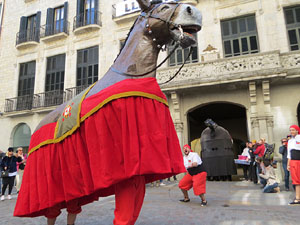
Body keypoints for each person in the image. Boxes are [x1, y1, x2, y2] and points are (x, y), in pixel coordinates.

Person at [287, 125, 300, 205]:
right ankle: (298, 198)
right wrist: (288, 164)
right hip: (293, 161)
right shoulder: (290, 141)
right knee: (296, 181)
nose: (291, 131)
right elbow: (289, 154)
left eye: (293, 130)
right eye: (290, 130)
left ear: (297, 130)